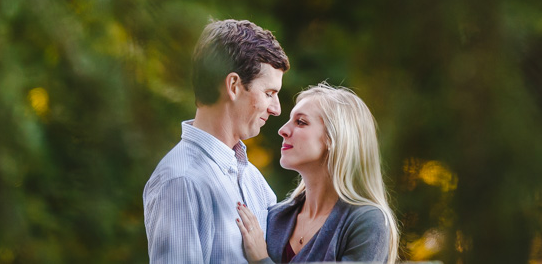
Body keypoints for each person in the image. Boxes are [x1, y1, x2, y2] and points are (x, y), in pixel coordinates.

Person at [144, 19, 290, 264]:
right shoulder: (180, 181)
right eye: (269, 93)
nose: (276, 109)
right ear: (233, 85)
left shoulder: (256, 183)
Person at [235, 83, 399, 264]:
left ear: (333, 138)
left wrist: (261, 260)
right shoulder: (274, 216)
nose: (282, 130)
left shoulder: (367, 222)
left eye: (301, 122)